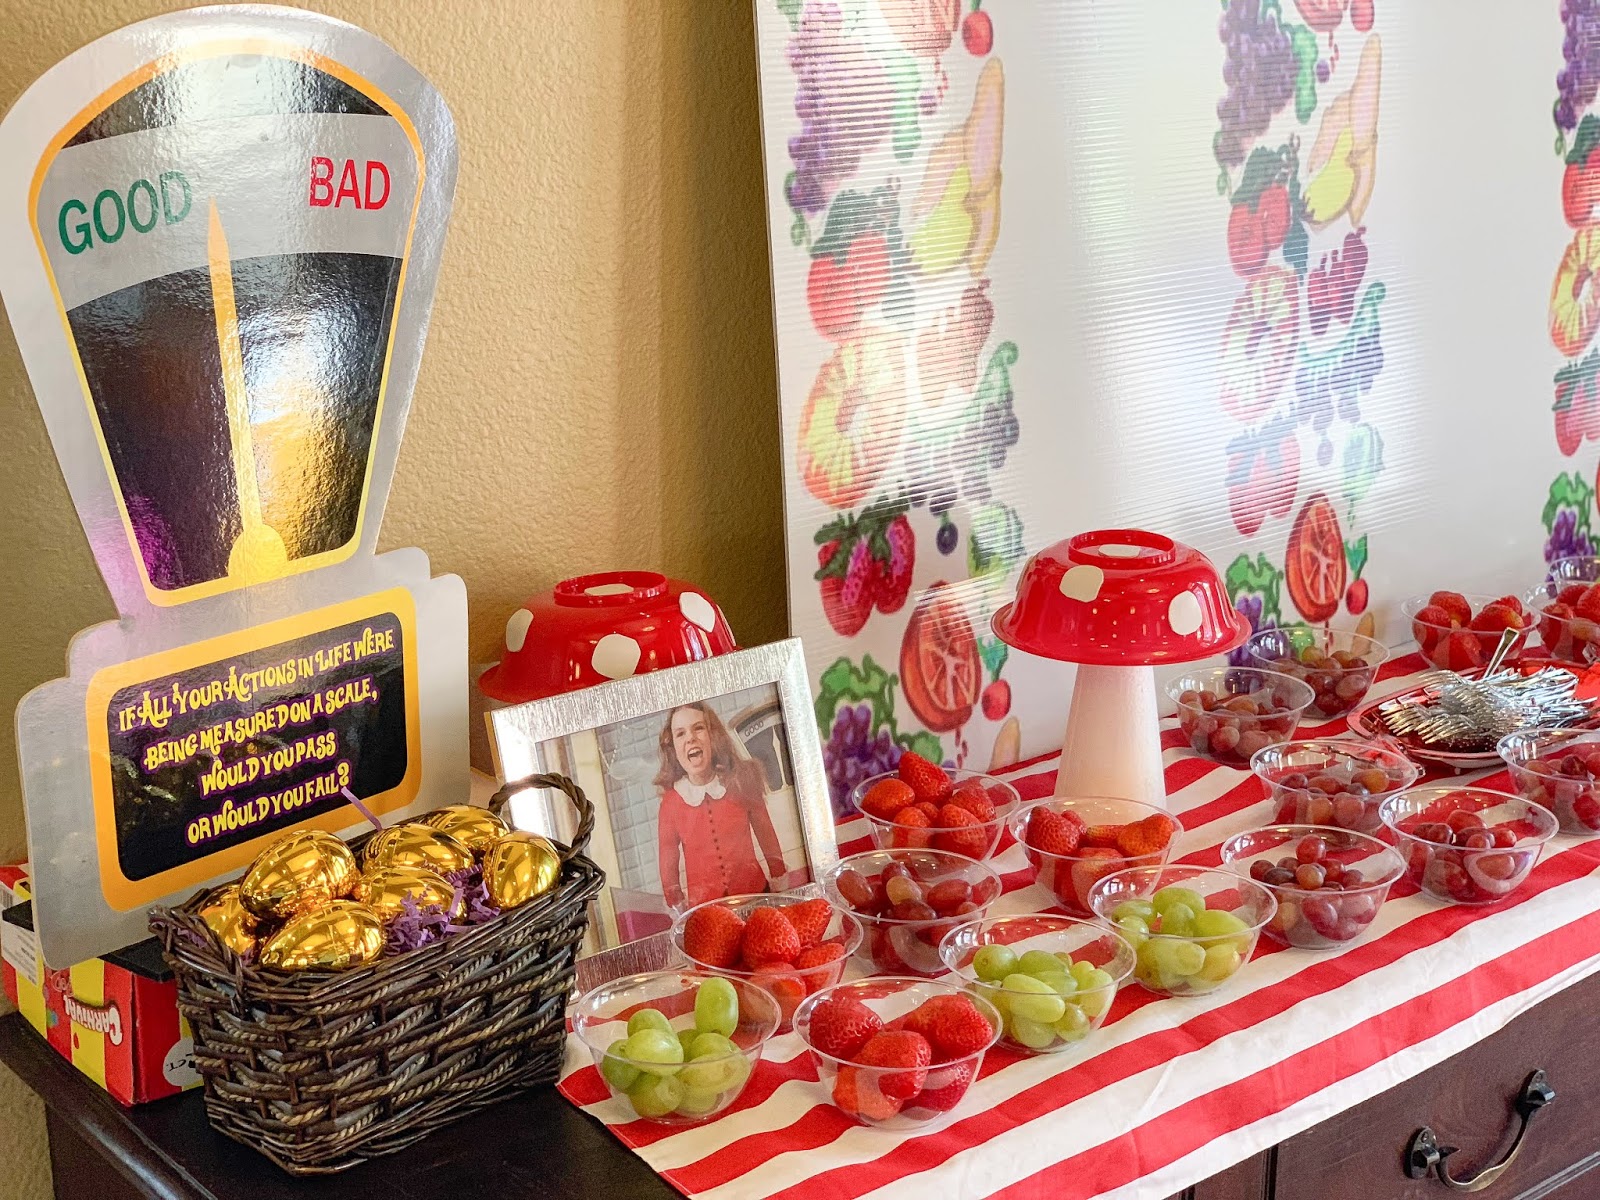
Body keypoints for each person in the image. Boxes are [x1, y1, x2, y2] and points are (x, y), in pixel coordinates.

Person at [654, 701, 788, 911]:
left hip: (755, 897)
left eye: (699, 728)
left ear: (713, 736)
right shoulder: (670, 804)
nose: (690, 738)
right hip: (706, 912)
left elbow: (765, 831)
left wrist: (778, 875)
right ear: (673, 749)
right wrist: (675, 899)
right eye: (680, 734)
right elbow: (667, 856)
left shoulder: (741, 780)